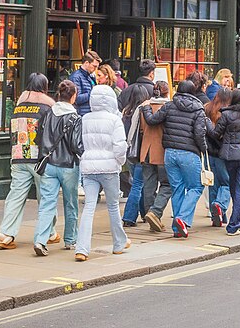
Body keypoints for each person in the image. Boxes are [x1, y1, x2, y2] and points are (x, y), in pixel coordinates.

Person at [140, 79, 208, 238]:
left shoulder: (170, 105)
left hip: (170, 152)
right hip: (189, 153)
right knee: (196, 187)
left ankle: (178, 230)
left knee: (177, 188)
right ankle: (181, 219)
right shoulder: (198, 109)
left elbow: (152, 120)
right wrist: (204, 149)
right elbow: (199, 134)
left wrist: (146, 108)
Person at [0, 73, 56, 250]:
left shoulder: (18, 107)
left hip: (18, 157)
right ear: (44, 87)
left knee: (15, 195)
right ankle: (49, 233)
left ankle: (5, 234)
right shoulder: (47, 108)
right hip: (39, 159)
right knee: (46, 196)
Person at [73, 85, 129, 261]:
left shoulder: (85, 119)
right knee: (113, 206)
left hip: (89, 167)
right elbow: (120, 146)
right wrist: (119, 162)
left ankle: (82, 248)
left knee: (89, 207)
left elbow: (79, 143)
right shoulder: (115, 120)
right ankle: (118, 243)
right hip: (109, 168)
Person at [32, 80, 83, 255]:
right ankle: (71, 240)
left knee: (47, 204)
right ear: (73, 96)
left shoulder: (47, 114)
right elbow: (77, 145)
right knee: (71, 203)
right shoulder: (75, 118)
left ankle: (40, 240)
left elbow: (38, 138)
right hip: (68, 165)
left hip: (48, 164)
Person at [209, 88, 240, 235]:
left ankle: (238, 222)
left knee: (234, 188)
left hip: (229, 156)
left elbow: (216, 134)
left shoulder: (226, 114)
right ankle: (236, 223)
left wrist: (207, 125)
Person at [121, 65, 155, 227]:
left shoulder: (126, 112)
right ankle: (129, 217)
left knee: (138, 183)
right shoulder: (143, 112)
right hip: (140, 152)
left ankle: (143, 212)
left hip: (129, 153)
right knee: (138, 185)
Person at [137, 80, 173, 232]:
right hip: (162, 151)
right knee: (167, 185)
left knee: (149, 186)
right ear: (167, 92)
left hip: (146, 151)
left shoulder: (144, 107)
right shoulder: (169, 107)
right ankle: (155, 212)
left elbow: (139, 130)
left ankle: (149, 215)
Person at [204, 89, 233, 227]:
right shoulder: (228, 113)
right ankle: (220, 205)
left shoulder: (207, 109)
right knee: (227, 183)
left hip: (209, 152)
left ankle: (217, 216)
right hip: (223, 152)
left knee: (213, 185)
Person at [71, 50, 101, 116]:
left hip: (89, 113)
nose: (95, 69)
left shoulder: (90, 76)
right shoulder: (76, 77)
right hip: (81, 114)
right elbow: (76, 99)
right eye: (94, 66)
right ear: (87, 63)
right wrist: (93, 93)